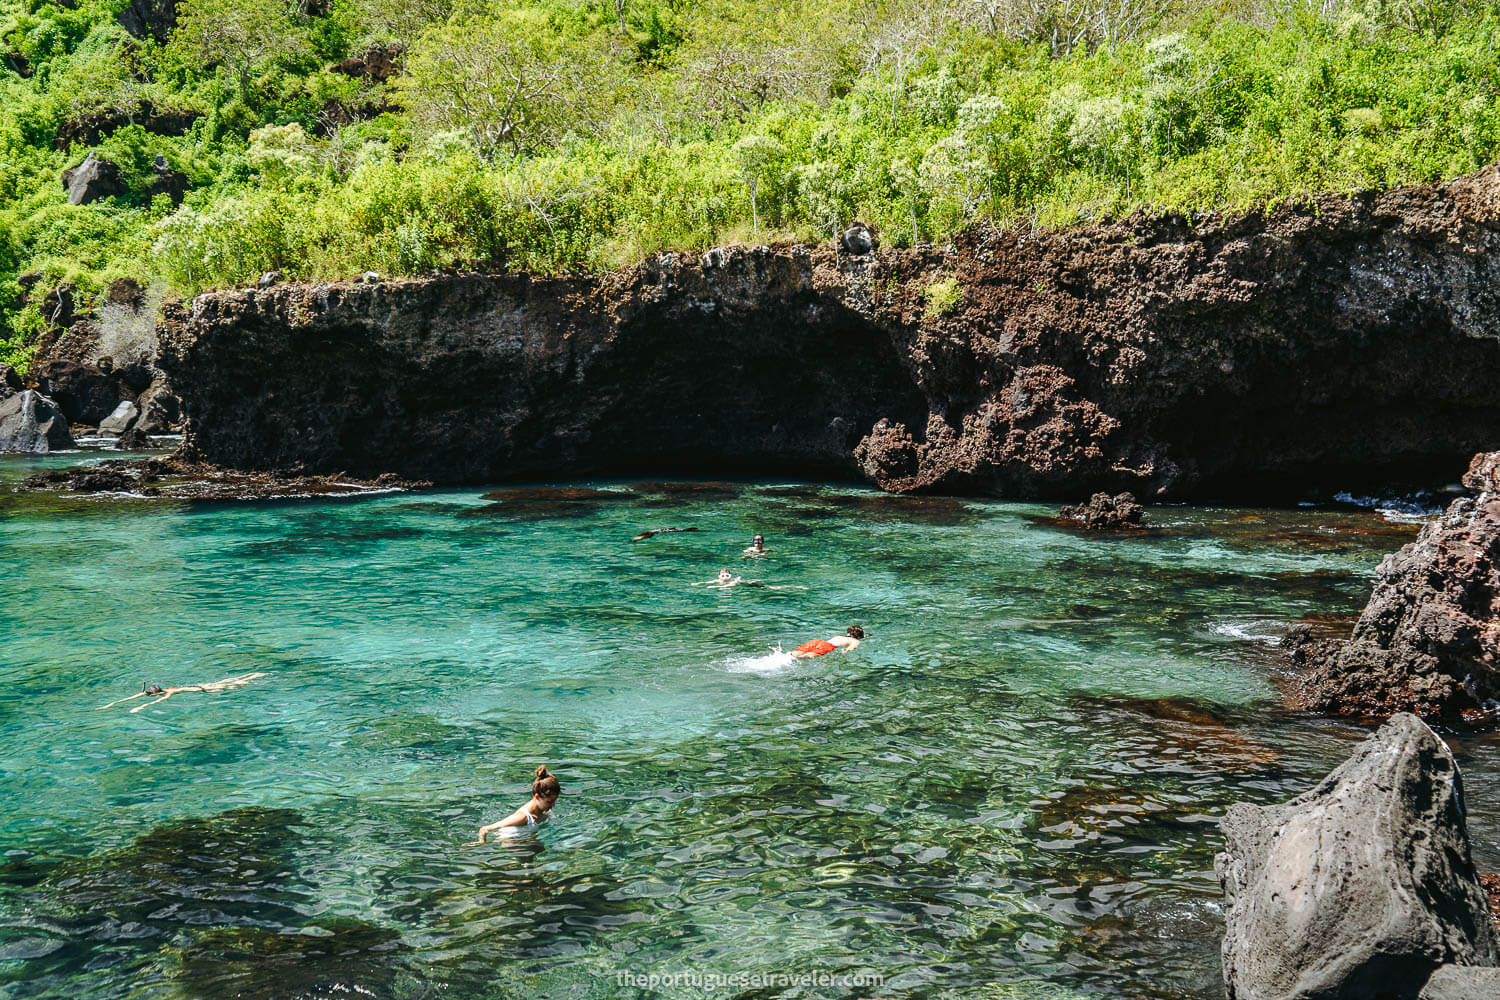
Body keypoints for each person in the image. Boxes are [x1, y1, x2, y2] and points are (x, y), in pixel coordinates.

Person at [469, 765, 562, 844]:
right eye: (549, 802)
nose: (553, 805)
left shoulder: (543, 811)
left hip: (526, 840)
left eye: (554, 801)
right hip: (511, 843)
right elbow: (484, 829)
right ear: (537, 797)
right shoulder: (522, 817)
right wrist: (481, 842)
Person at [98, 673, 268, 712]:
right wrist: (110, 704)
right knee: (229, 681)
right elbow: (132, 697)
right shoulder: (157, 691)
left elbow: (157, 702)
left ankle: (255, 676)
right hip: (200, 686)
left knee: (237, 685)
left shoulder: (169, 693)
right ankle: (254, 673)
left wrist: (140, 708)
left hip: (205, 689)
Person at [791, 626, 864, 658]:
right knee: (807, 656)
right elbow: (850, 649)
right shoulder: (855, 641)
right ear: (859, 637)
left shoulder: (839, 636)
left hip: (817, 641)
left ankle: (786, 655)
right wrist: (843, 654)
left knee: (794, 653)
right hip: (827, 646)